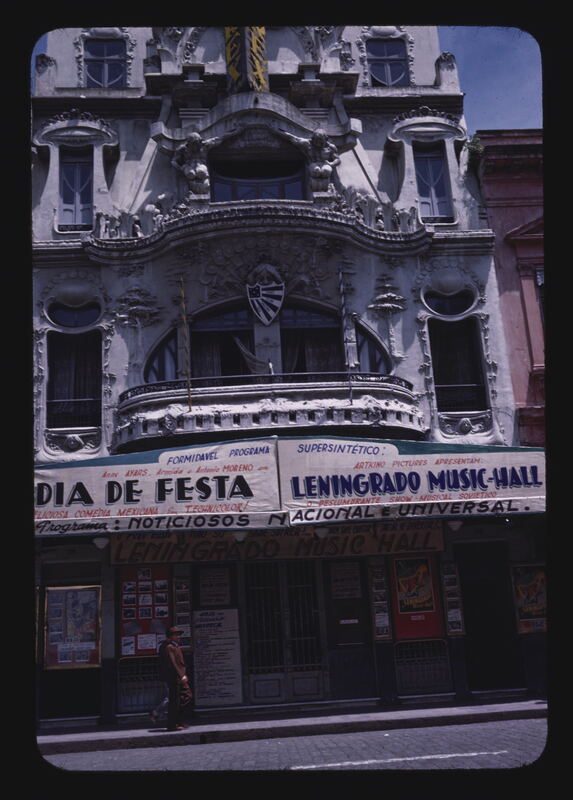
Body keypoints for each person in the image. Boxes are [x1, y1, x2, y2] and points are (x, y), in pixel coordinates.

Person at [157, 626, 193, 731]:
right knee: (175, 700)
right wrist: (181, 675)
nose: (179, 637)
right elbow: (173, 663)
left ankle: (178, 721)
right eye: (176, 635)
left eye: (179, 635)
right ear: (170, 636)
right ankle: (173, 724)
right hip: (174, 678)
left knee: (185, 696)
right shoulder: (169, 647)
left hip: (178, 677)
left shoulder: (174, 646)